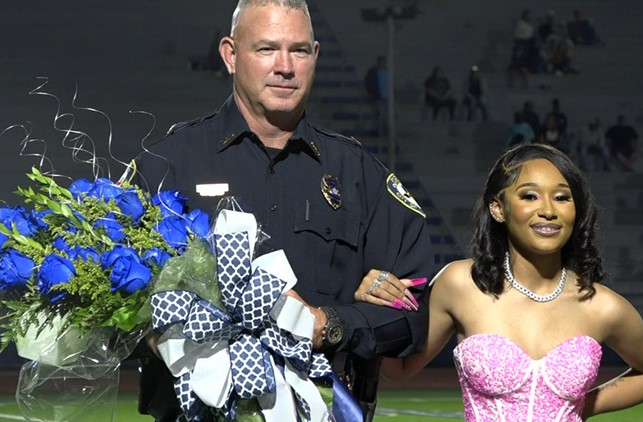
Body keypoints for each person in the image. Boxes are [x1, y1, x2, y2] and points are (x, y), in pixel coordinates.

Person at [135, 1, 435, 420]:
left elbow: (415, 312)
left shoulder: (359, 173)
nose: (285, 66)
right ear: (230, 54)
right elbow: (120, 303)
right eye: (266, 49)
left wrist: (329, 324)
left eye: (298, 50)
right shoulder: (167, 165)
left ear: (315, 56)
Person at [354, 144, 643, 421]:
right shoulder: (460, 284)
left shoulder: (603, 306)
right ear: (498, 208)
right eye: (530, 196)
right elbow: (399, 370)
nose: (548, 210)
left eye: (562, 197)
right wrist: (372, 310)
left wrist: (581, 407)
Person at [364, 55, 388, 136]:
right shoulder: (373, 72)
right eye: (381, 62)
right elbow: (368, 82)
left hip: (386, 98)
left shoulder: (387, 72)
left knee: (385, 116)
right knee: (378, 116)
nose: (383, 63)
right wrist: (372, 93)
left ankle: (384, 131)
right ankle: (379, 132)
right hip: (377, 97)